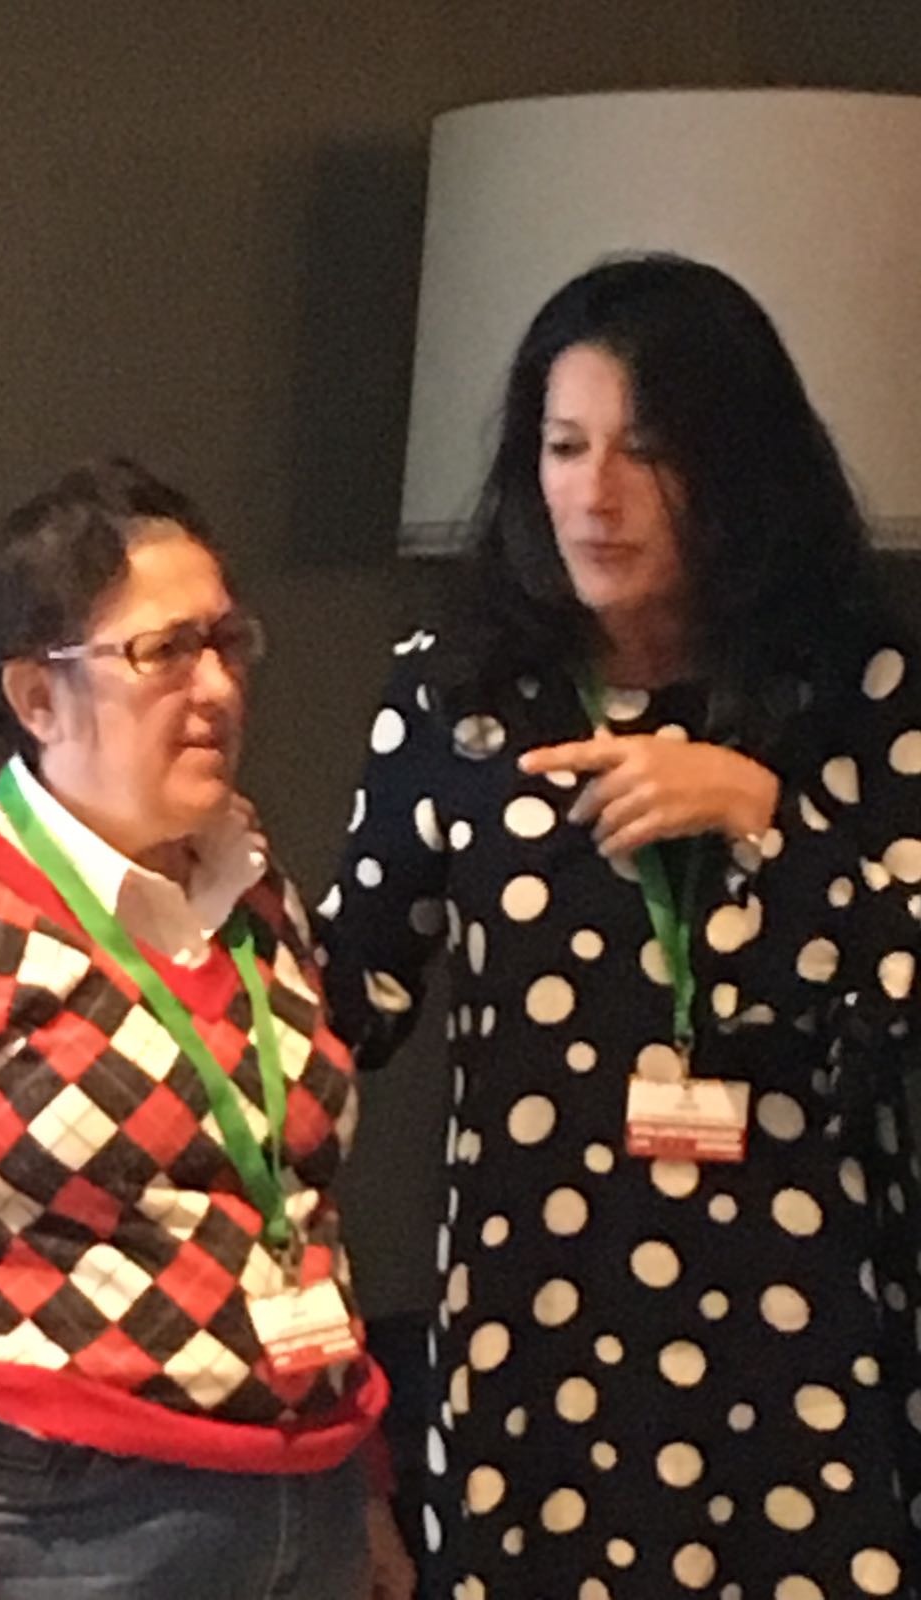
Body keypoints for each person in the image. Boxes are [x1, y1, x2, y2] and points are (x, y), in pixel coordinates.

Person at [318, 254, 921, 1599]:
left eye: (645, 453)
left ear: (738, 470)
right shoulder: (456, 696)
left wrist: (764, 822)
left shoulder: (858, 687)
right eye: (564, 446)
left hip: (797, 1321)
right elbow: (342, 1006)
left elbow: (900, 987)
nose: (594, 495)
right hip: (534, 1321)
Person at [0, 456, 415, 1600]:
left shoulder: (254, 891)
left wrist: (364, 1491)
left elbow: (290, 1207)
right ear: (37, 696)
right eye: (165, 652)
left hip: (301, 1507)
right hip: (47, 1525)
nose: (216, 687)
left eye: (227, 642)